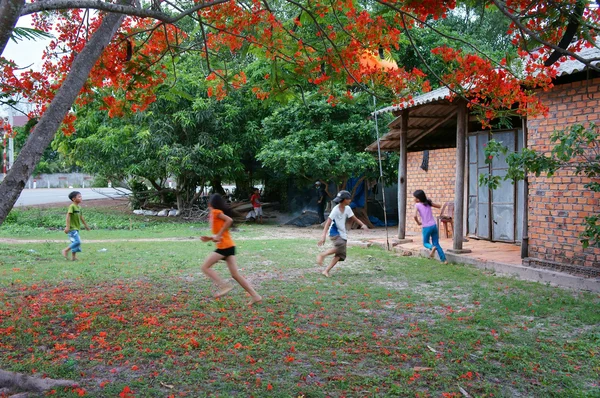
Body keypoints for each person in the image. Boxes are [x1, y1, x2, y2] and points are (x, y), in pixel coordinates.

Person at [200, 194, 262, 306]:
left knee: (205, 267)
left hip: (224, 248)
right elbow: (220, 234)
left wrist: (218, 235)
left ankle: (224, 286)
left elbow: (229, 220)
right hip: (229, 246)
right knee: (235, 275)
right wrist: (210, 238)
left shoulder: (215, 212)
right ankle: (255, 295)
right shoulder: (216, 214)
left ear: (210, 204)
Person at [316, 190, 368, 277]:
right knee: (340, 246)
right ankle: (323, 255)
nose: (350, 200)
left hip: (342, 233)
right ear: (344, 200)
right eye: (348, 199)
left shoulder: (348, 209)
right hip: (334, 232)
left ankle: (326, 271)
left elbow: (354, 218)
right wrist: (323, 236)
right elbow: (328, 222)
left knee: (340, 255)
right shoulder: (335, 210)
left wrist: (363, 225)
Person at [413, 189, 448, 264]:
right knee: (436, 243)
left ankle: (432, 247)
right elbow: (439, 206)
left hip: (426, 227)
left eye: (415, 197)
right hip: (434, 226)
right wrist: (431, 202)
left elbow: (414, 215)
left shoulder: (417, 205)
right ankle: (444, 260)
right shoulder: (428, 203)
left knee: (425, 243)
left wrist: (418, 222)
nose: (414, 199)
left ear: (418, 199)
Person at [61, 191, 90, 261]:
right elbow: (68, 216)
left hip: (76, 227)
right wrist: (67, 227)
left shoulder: (79, 207)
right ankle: (65, 250)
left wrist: (86, 225)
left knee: (74, 242)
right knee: (77, 241)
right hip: (72, 228)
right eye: (79, 197)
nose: (81, 198)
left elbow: (81, 217)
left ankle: (73, 257)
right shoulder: (72, 206)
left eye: (81, 196)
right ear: (74, 199)